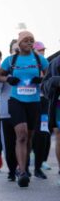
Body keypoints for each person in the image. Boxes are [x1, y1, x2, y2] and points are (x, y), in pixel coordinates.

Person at [0, 31, 49, 187]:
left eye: (32, 40)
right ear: (19, 43)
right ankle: (23, 171)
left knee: (29, 137)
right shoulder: (11, 60)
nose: (29, 43)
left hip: (34, 102)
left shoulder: (40, 60)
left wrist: (41, 79)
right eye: (26, 40)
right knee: (21, 134)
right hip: (16, 101)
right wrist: (8, 78)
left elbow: (49, 74)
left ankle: (23, 166)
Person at [0, 40, 19, 181]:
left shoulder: (29, 66)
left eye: (19, 49)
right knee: (8, 143)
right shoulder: (5, 66)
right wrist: (5, 76)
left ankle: (22, 168)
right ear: (10, 52)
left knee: (23, 140)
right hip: (6, 111)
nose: (17, 52)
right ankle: (12, 170)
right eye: (15, 50)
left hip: (25, 111)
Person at [32, 41, 52, 173]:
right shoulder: (30, 64)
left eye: (43, 50)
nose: (42, 53)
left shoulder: (47, 64)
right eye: (40, 51)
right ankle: (31, 158)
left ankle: (42, 161)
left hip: (45, 102)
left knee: (45, 132)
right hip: (31, 102)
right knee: (32, 132)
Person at [41, 50, 60, 185]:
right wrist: (53, 82)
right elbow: (44, 87)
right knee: (59, 135)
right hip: (58, 105)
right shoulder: (54, 62)